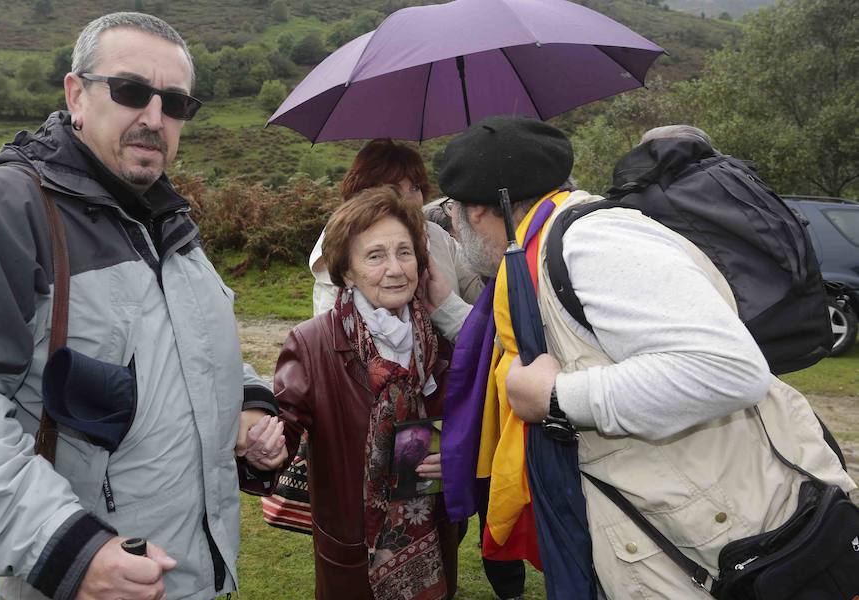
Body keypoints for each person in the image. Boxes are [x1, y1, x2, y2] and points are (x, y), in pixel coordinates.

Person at [424, 116, 856, 598]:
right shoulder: (539, 250)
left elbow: (728, 370)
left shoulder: (593, 244)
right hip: (679, 536)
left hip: (721, 545)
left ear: (481, 210)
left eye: (453, 211)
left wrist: (556, 396)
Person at [0, 12, 287, 600]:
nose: (154, 118)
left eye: (176, 102)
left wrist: (248, 408)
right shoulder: (7, 207)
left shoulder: (170, 221)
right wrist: (70, 550)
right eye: (132, 91)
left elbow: (195, 354)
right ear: (76, 94)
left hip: (200, 578)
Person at [274, 186, 459, 600]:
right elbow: (279, 434)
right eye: (375, 256)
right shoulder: (313, 342)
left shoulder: (441, 342)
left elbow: (473, 423)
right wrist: (259, 439)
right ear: (348, 270)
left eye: (404, 252)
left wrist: (459, 456)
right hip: (354, 549)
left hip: (433, 536)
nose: (395, 269)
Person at [309, 138, 483, 314]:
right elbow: (330, 330)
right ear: (362, 193)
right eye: (393, 190)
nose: (409, 200)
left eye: (415, 188)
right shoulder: (340, 245)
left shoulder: (437, 236)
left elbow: (480, 297)